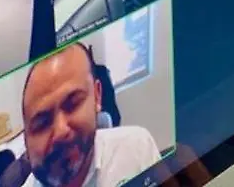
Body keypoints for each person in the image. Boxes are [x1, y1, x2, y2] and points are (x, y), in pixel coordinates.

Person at [20, 43, 161, 187]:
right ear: (26, 139)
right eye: (42, 123)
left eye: (73, 104)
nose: (61, 131)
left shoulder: (137, 148)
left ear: (97, 96)